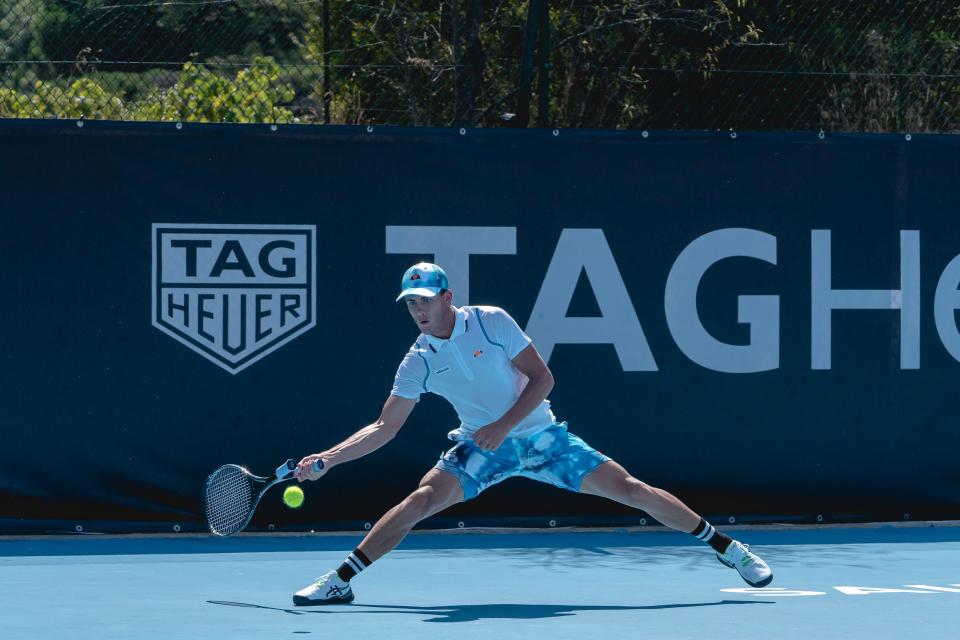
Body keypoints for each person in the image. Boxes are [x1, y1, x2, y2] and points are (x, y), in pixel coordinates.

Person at [292, 262, 772, 605]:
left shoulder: (491, 321)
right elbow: (384, 426)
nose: (417, 310)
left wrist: (503, 426)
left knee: (632, 491)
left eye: (424, 300)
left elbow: (543, 378)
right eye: (409, 303)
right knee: (418, 501)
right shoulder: (418, 361)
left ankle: (729, 549)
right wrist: (330, 457)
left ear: (446, 297)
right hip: (482, 449)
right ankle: (341, 580)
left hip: (543, 440)